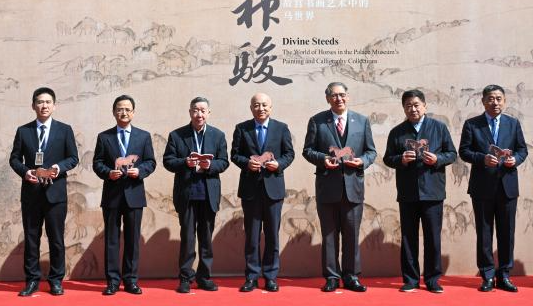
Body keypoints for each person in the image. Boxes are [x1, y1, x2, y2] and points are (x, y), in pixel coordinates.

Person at [302, 82, 377, 293]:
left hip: (353, 187)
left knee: (352, 234)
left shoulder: (361, 121)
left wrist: (362, 161)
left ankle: (351, 276)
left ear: (348, 97)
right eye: (334, 95)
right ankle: (332, 277)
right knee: (329, 235)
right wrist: (323, 159)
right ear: (328, 98)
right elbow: (307, 150)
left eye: (342, 95)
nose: (339, 99)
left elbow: (371, 151)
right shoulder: (317, 121)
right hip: (327, 187)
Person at [382, 89, 456, 293]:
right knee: (408, 237)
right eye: (408, 106)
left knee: (433, 237)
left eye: (416, 105)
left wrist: (438, 159)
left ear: (424, 106)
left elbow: (452, 154)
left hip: (433, 191)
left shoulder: (439, 128)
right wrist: (401, 159)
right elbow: (388, 158)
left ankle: (432, 279)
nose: (413, 109)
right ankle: (411, 279)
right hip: (408, 192)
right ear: (403, 108)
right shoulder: (397, 132)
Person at [9, 87, 79, 297]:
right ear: (33, 106)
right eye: (40, 102)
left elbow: (73, 158)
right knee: (32, 239)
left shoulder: (64, 130)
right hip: (31, 194)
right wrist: (26, 172)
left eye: (48, 102)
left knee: (56, 239)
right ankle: (32, 280)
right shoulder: (24, 131)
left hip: (55, 194)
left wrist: (58, 168)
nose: (44, 105)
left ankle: (56, 280)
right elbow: (14, 159)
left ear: (54, 106)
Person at [458, 84, 528, 293]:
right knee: (484, 233)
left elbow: (522, 150)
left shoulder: (513, 124)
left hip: (507, 186)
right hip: (482, 187)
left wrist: (515, 160)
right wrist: (482, 158)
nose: (495, 102)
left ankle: (504, 274)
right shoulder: (472, 124)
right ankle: (487, 275)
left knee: (507, 233)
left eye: (498, 98)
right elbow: (464, 151)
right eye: (490, 98)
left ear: (504, 101)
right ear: (483, 101)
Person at [162, 96, 230, 293]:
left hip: (208, 194)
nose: (199, 114)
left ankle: (204, 277)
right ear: (190, 112)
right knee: (187, 238)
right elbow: (168, 161)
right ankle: (185, 278)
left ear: (209, 113)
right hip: (187, 194)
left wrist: (210, 165)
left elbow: (224, 162)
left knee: (206, 239)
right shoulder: (177, 135)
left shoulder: (218, 135)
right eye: (195, 110)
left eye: (202, 110)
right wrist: (185, 162)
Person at [230, 92, 295, 292]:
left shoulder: (281, 128)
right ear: (251, 108)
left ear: (270, 107)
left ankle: (270, 276)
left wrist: (279, 164)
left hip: (273, 189)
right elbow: (235, 155)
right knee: (252, 236)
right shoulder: (242, 128)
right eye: (257, 105)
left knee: (272, 235)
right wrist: (246, 163)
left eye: (265, 105)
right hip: (250, 190)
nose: (261, 108)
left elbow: (289, 154)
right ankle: (251, 277)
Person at [93, 94, 157, 295]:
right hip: (112, 196)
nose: (123, 112)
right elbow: (97, 163)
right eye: (119, 109)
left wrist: (140, 171)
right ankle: (112, 281)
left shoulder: (143, 136)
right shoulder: (104, 137)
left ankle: (131, 280)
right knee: (111, 240)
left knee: (132, 240)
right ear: (114, 112)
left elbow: (151, 162)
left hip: (134, 195)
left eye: (127, 109)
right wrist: (108, 173)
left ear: (133, 112)